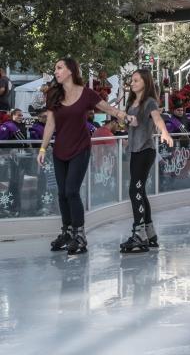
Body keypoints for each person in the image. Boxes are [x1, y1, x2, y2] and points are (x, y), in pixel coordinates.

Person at [37, 57, 128, 255]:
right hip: (60, 150)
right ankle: (67, 231)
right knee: (62, 193)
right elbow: (50, 124)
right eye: (55, 68)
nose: (56, 72)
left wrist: (124, 116)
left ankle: (80, 235)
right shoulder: (53, 94)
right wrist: (43, 148)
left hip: (80, 149)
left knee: (71, 191)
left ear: (70, 70)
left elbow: (107, 108)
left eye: (59, 68)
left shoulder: (86, 93)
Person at [120, 69, 175, 253]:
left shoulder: (149, 101)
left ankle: (140, 233)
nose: (132, 83)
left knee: (134, 189)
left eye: (136, 80)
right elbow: (131, 124)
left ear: (145, 82)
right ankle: (150, 233)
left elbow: (157, 118)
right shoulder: (131, 102)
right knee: (140, 191)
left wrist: (165, 132)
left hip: (145, 150)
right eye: (131, 81)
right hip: (134, 150)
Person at [0, 109, 30, 215]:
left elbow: (25, 143)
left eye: (22, 115)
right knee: (8, 184)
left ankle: (15, 207)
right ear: (12, 116)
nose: (20, 117)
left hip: (19, 161)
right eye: (18, 115)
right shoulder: (7, 126)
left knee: (17, 184)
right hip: (8, 161)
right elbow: (2, 142)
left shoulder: (22, 126)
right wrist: (10, 150)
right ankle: (6, 208)